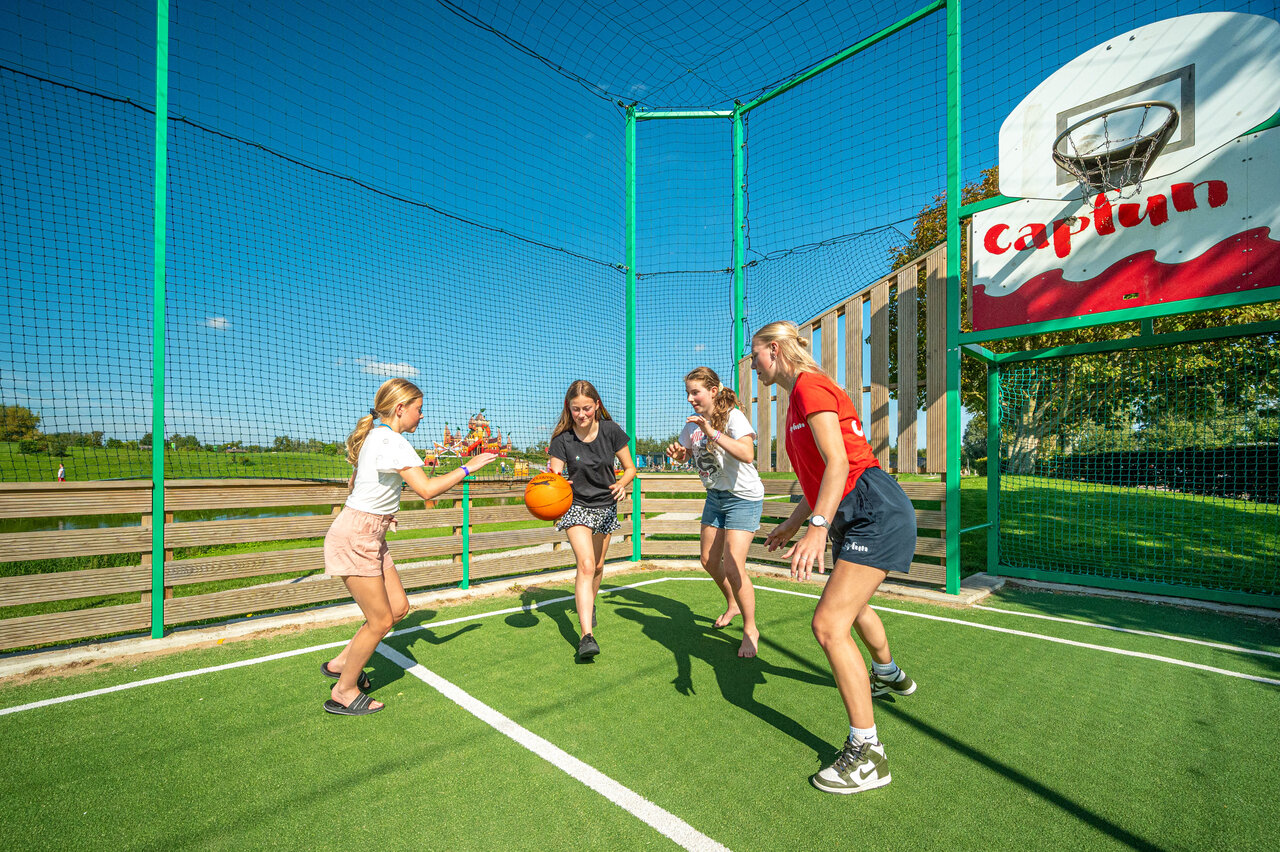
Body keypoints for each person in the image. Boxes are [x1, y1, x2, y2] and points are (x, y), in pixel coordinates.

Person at [752, 321, 917, 794]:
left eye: (756, 353)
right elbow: (823, 471)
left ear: (776, 350)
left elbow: (842, 464)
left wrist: (818, 529)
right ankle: (888, 674)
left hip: (872, 508)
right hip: (853, 508)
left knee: (828, 625)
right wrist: (795, 522)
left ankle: (868, 754)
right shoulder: (795, 398)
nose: (753, 363)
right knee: (852, 605)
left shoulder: (811, 385)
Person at [322, 377, 496, 715]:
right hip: (358, 536)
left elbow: (356, 483)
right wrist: (467, 467)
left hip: (368, 531)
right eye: (419, 409)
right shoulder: (393, 442)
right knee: (379, 620)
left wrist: (382, 514)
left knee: (398, 609)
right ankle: (344, 690)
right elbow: (427, 490)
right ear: (400, 409)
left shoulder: (375, 435)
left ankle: (341, 663)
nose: (421, 416)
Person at [665, 366, 764, 658]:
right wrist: (680, 456)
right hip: (715, 497)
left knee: (733, 566)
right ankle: (733, 604)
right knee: (709, 560)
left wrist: (712, 432)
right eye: (687, 393)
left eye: (695, 392)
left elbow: (748, 454)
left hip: (743, 498)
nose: (690, 398)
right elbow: (687, 453)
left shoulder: (733, 417)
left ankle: (750, 630)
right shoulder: (691, 425)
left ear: (712, 391)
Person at [547, 379, 637, 661]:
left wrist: (623, 483)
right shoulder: (561, 440)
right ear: (568, 409)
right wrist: (551, 494)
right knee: (585, 565)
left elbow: (630, 468)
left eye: (587, 408)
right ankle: (587, 636)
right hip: (576, 507)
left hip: (605, 506)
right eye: (576, 409)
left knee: (597, 567)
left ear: (597, 405)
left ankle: (589, 603)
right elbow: (554, 478)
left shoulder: (610, 431)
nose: (582, 414)